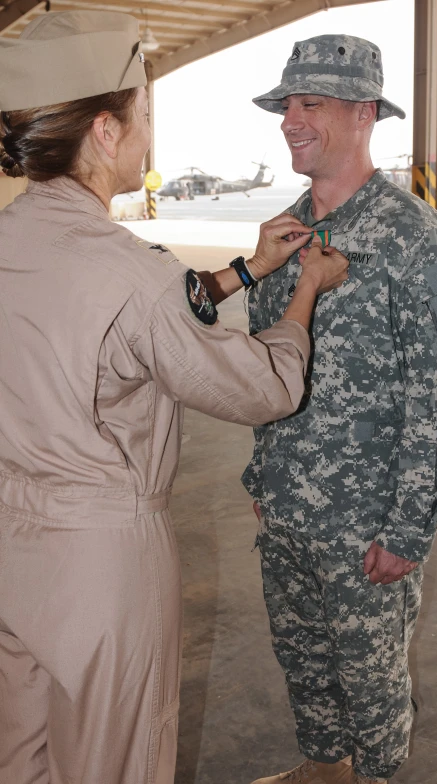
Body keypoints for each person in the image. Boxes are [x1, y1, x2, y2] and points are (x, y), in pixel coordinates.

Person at [0, 12, 350, 784]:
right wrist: (303, 300)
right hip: (100, 563)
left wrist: (245, 270)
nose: (150, 136)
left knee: (20, 755)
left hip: (12, 546)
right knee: (116, 761)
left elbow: (129, 325)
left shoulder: (18, 240)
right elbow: (264, 388)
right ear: (104, 130)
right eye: (145, 114)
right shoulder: (131, 271)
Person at [242, 34, 437, 784]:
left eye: (310, 103)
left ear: (361, 114)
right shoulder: (281, 235)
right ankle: (323, 769)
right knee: (302, 658)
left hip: (367, 522)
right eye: (286, 104)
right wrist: (265, 479)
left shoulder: (418, 239)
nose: (290, 119)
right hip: (286, 505)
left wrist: (407, 528)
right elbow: (266, 367)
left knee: (371, 678)